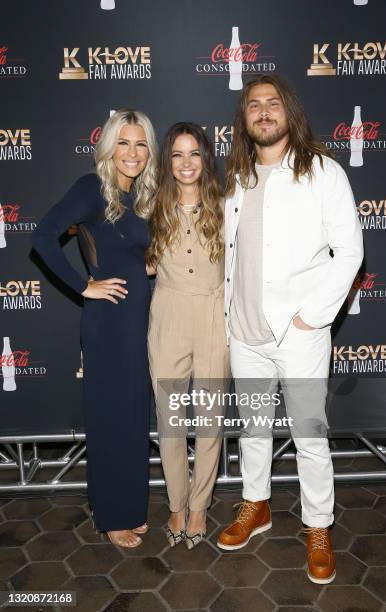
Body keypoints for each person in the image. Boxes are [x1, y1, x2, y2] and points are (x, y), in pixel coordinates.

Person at [217, 75, 363, 584]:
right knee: (253, 430)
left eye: (271, 104)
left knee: (309, 435)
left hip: (299, 334)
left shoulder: (323, 172)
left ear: (288, 112)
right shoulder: (236, 177)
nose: (262, 112)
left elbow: (350, 253)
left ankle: (318, 526)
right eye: (253, 105)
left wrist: (311, 317)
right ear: (245, 118)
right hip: (245, 333)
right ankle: (255, 506)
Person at [32, 109, 157, 548]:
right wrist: (84, 285)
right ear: (108, 146)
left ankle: (130, 508)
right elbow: (43, 237)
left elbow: (136, 254)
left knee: (133, 419)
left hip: (138, 323)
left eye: (140, 144)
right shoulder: (92, 188)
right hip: (108, 324)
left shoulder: (141, 196)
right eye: (123, 143)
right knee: (110, 419)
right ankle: (111, 515)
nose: (132, 152)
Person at [146, 122, 229, 549]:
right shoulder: (151, 207)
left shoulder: (225, 202)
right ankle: (176, 503)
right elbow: (132, 257)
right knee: (171, 421)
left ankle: (199, 507)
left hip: (216, 315)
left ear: (205, 158)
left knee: (211, 421)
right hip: (169, 315)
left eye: (193, 153)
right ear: (167, 162)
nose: (186, 163)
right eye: (177, 155)